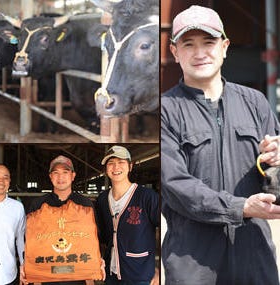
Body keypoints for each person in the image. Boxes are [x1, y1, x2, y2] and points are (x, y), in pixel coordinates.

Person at [161, 5, 280, 285]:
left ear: (225, 47)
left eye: (209, 42)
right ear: (175, 52)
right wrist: (240, 207)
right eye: (189, 44)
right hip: (193, 263)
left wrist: (278, 162)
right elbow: (175, 185)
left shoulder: (255, 103)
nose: (200, 53)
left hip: (255, 257)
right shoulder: (166, 110)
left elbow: (274, 184)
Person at [20, 155, 105, 285]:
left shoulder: (85, 204)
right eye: (56, 173)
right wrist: (25, 263)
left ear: (73, 175)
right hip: (46, 276)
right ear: (50, 176)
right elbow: (30, 240)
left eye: (65, 172)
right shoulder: (37, 205)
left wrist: (98, 259)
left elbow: (93, 238)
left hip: (77, 277)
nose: (60, 177)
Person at [96, 145, 159, 285]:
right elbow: (99, 235)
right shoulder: (102, 199)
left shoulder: (147, 197)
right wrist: (98, 258)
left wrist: (161, 267)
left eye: (121, 162)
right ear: (106, 169)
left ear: (130, 166)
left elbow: (167, 229)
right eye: (111, 163)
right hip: (110, 274)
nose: (115, 167)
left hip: (140, 275)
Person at [0, 164, 25, 285]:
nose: (1, 181)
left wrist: (23, 265)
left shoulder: (17, 207)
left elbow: (20, 240)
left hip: (8, 274)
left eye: (5, 177)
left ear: (9, 181)